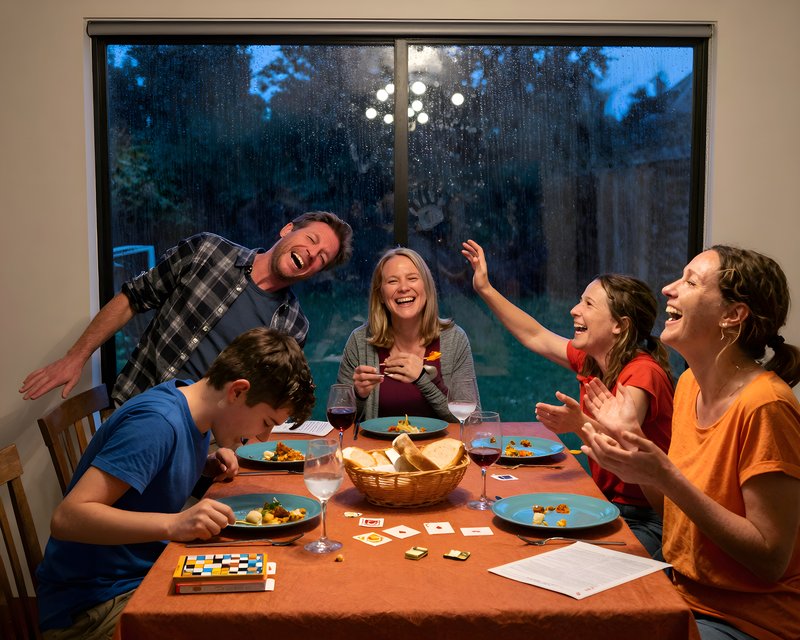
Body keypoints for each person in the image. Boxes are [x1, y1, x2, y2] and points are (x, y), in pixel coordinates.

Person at [35, 327, 316, 640]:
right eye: (266, 423)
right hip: (93, 608)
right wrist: (174, 524)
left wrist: (202, 468)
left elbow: (151, 475)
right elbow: (67, 518)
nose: (264, 437)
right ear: (237, 391)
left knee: (269, 589)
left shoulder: (191, 406)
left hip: (140, 574)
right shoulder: (157, 424)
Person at [581, 246, 800, 640]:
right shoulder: (688, 387)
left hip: (747, 620)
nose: (668, 288)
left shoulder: (766, 405)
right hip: (681, 593)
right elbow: (672, 511)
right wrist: (633, 447)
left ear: (732, 316)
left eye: (691, 281)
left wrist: (667, 475)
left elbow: (770, 558)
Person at [461, 239, 673, 558]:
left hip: (647, 520)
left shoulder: (642, 372)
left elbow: (627, 450)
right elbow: (535, 335)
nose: (574, 310)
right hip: (606, 505)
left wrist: (580, 424)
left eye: (588, 304)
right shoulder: (592, 359)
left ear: (620, 325)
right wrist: (486, 289)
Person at [20, 211, 352, 407]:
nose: (312, 253)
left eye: (322, 258)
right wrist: (76, 356)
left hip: (200, 445)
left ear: (315, 273)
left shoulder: (293, 327)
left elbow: (258, 401)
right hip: (133, 408)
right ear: (288, 230)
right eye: (311, 240)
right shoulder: (206, 251)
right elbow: (133, 298)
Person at [337, 247, 478, 422]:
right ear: (380, 294)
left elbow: (472, 420)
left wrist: (422, 379)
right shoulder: (360, 341)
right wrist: (358, 395)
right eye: (392, 281)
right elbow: (340, 421)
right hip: (379, 450)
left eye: (412, 279)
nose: (403, 288)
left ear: (427, 287)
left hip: (439, 449)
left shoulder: (454, 339)